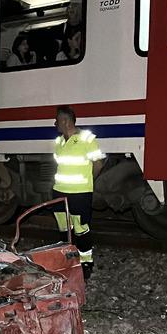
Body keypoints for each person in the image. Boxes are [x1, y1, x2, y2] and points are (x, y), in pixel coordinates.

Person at [52, 106, 104, 280]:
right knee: (63, 229)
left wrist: (87, 182)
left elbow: (98, 164)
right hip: (59, 192)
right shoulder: (58, 141)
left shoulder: (87, 139)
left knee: (81, 230)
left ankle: (86, 263)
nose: (55, 123)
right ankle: (67, 260)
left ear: (66, 121)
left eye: (57, 120)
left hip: (80, 194)